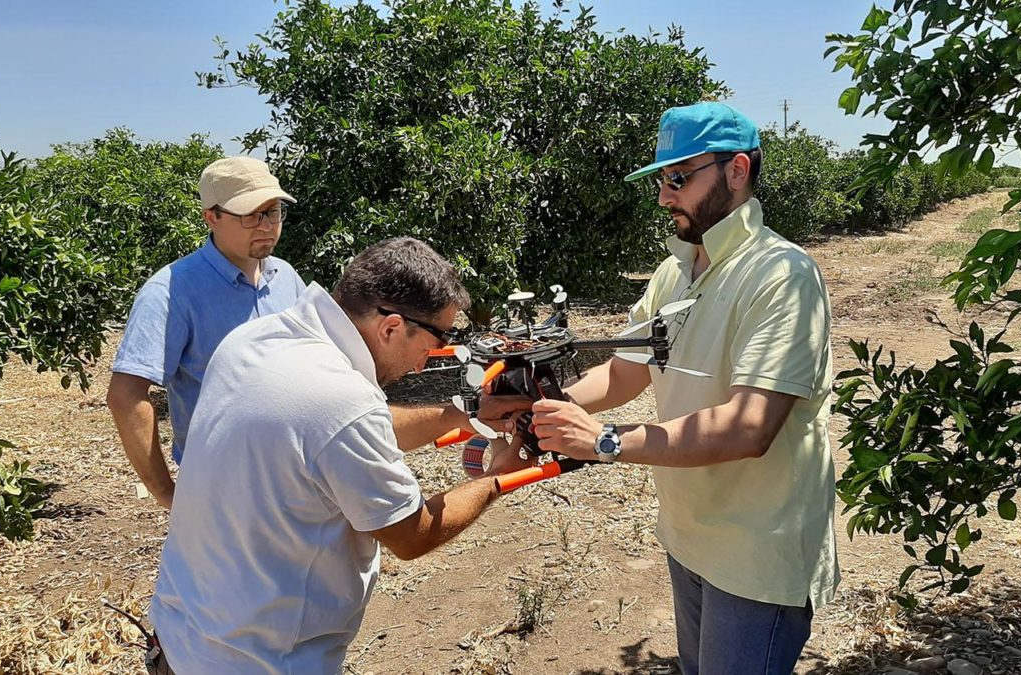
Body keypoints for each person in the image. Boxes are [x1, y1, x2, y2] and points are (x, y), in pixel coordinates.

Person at [530, 102, 840, 674]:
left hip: (756, 552)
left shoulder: (782, 275)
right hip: (689, 534)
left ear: (737, 171)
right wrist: (547, 410)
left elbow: (749, 426)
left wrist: (604, 441)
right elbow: (625, 371)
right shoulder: (673, 273)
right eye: (660, 180)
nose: (663, 196)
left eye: (679, 178)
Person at [148, 237, 532, 674]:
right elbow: (412, 534)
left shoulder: (259, 339)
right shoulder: (343, 402)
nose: (426, 363)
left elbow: (330, 432)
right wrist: (498, 477)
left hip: (183, 637)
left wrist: (458, 416)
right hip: (259, 661)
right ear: (390, 327)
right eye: (435, 339)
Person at [107, 156, 306, 509]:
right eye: (250, 214)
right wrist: (166, 492)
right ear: (210, 216)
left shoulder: (286, 277)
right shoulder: (171, 291)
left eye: (273, 211)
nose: (266, 225)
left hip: (300, 474)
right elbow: (126, 394)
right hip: (223, 486)